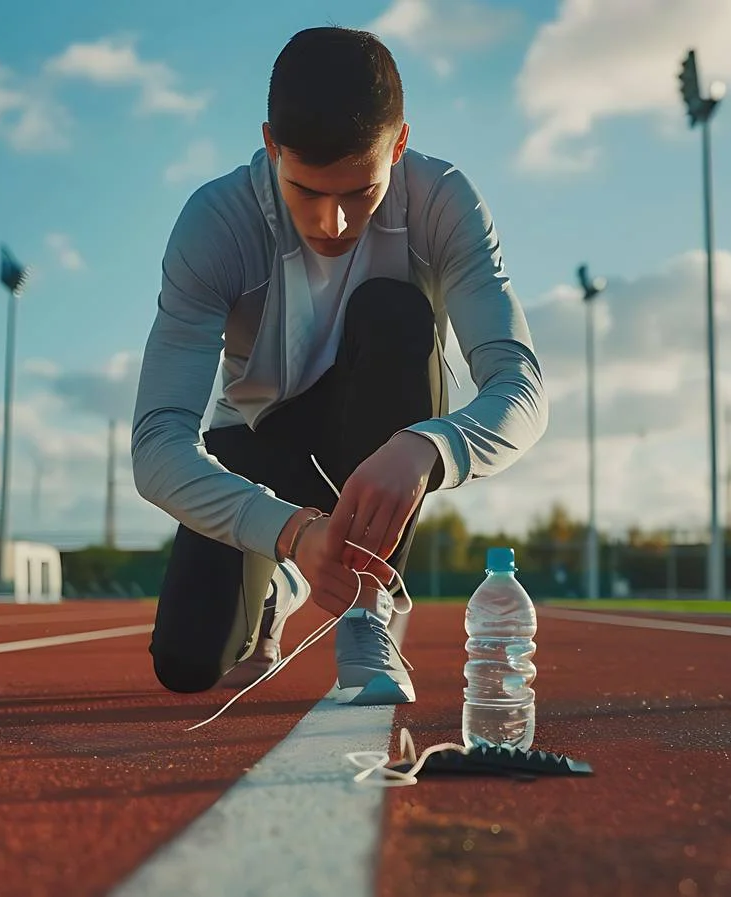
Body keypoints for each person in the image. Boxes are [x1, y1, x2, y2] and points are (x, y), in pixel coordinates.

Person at [130, 26, 547, 705]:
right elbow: (157, 447)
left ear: (400, 145)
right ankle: (283, 589)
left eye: (360, 191)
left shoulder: (443, 201)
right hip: (258, 435)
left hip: (382, 423)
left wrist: (430, 445)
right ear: (271, 145)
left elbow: (520, 387)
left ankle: (365, 613)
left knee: (397, 313)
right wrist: (291, 532)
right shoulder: (215, 223)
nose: (332, 222)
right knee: (188, 661)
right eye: (306, 190)